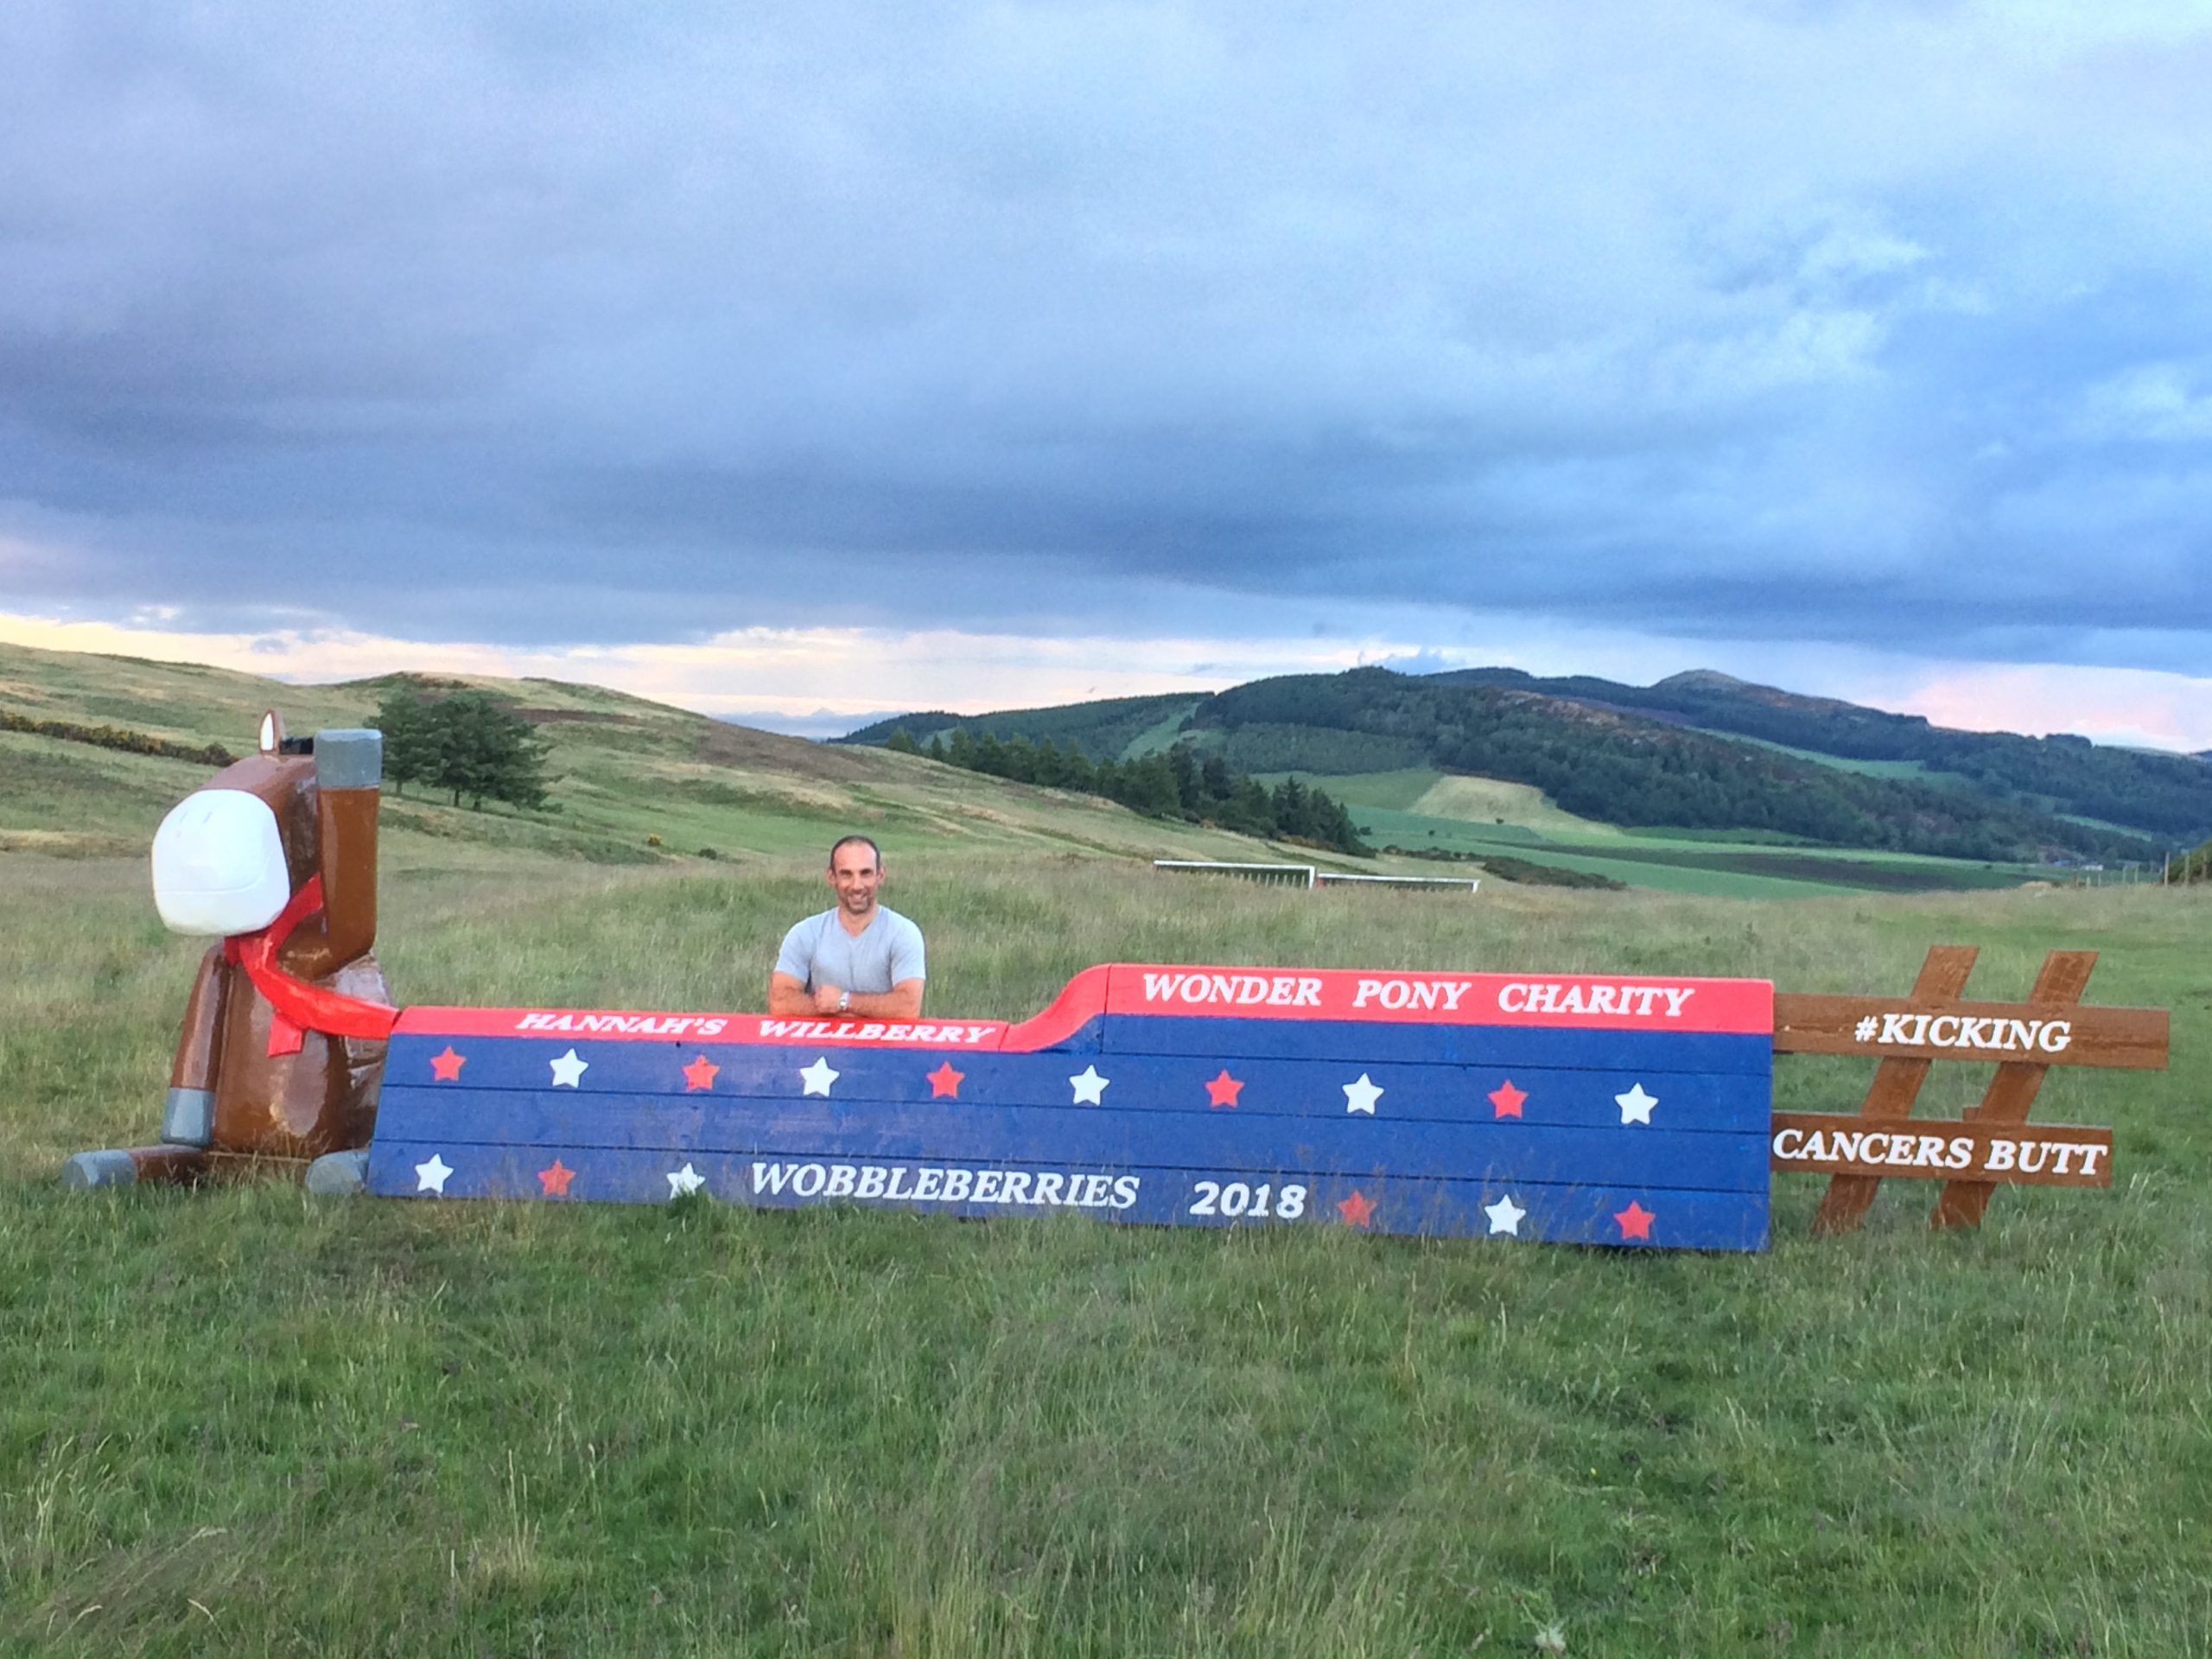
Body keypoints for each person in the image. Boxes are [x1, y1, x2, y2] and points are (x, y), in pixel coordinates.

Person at [768, 835, 925, 1019]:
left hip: (883, 1046)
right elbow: (780, 1002)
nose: (857, 886)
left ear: (880, 875)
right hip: (820, 1046)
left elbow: (908, 1007)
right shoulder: (804, 933)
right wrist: (825, 1006)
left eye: (865, 873)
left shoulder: (903, 933)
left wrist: (844, 1001)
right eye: (846, 874)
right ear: (831, 877)